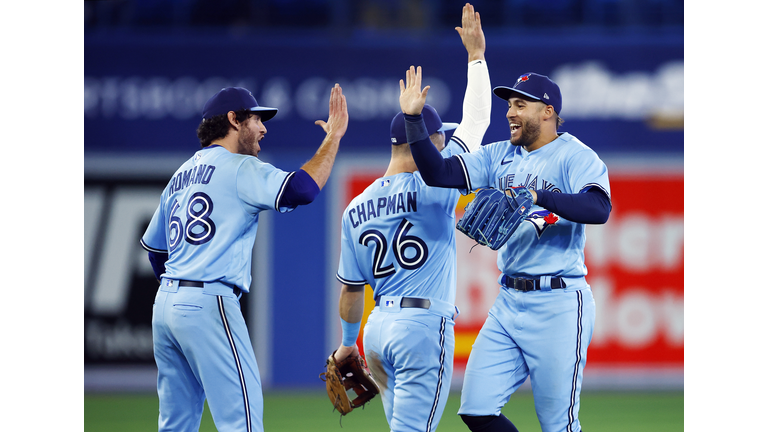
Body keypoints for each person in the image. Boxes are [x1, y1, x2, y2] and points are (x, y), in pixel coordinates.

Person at [398, 64, 612, 432]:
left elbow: (598, 208)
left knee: (559, 425)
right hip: (509, 301)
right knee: (476, 410)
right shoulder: (498, 155)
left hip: (559, 304)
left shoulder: (575, 156)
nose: (510, 112)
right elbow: (439, 173)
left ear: (548, 112)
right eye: (509, 104)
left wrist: (538, 195)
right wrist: (413, 119)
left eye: (520, 104)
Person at [139, 84, 348, 432]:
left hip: (166, 308)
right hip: (208, 301)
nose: (263, 128)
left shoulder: (179, 176)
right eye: (255, 119)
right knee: (243, 422)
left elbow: (156, 251)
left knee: (175, 425)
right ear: (233, 120)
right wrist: (334, 138)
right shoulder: (239, 168)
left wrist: (179, 292)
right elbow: (302, 190)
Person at [331, 4, 490, 432]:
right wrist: (476, 56)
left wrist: (349, 345)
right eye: (440, 139)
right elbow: (477, 119)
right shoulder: (435, 185)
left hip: (377, 331)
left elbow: (350, 291)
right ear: (429, 141)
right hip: (421, 327)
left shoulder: (355, 207)